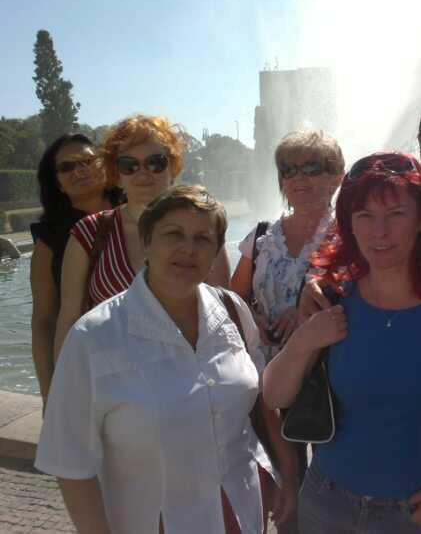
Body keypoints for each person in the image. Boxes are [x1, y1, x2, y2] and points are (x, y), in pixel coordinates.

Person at [36, 185, 299, 534]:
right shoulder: (93, 337)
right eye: (173, 234)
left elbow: (260, 399)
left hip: (242, 510)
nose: (188, 248)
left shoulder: (234, 311)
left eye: (203, 239)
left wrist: (287, 473)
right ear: (146, 242)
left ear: (215, 251)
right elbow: (71, 462)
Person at [264, 152, 421, 533]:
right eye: (364, 215)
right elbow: (275, 394)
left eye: (396, 214)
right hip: (326, 503)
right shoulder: (332, 297)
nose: (379, 232)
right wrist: (305, 339)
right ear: (349, 223)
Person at [53, 115, 230, 360]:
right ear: (116, 173)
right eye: (129, 165)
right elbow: (69, 319)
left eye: (155, 162)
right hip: (114, 375)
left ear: (172, 166)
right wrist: (64, 381)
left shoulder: (203, 228)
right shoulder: (89, 233)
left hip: (189, 371)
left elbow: (221, 308)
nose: (143, 172)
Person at [231, 129, 344, 358]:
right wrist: (251, 318)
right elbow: (234, 298)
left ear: (336, 178)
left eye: (312, 168)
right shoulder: (261, 238)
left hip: (319, 366)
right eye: (289, 170)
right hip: (258, 365)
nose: (298, 177)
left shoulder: (349, 238)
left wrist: (307, 313)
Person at [30, 133, 121, 408]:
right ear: (56, 183)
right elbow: (44, 321)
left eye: (87, 161)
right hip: (90, 361)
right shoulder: (50, 241)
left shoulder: (137, 213)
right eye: (67, 166)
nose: (79, 170)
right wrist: (49, 394)